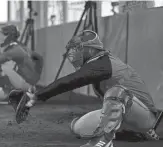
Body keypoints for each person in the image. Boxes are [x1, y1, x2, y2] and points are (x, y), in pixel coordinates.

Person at [13, 30, 160, 147]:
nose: (73, 53)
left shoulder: (103, 63)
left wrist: (37, 96)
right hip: (125, 116)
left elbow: (71, 81)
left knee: (116, 92)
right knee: (77, 128)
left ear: (90, 50)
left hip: (145, 118)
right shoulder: (97, 63)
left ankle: (105, 141)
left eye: (77, 48)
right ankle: (128, 132)